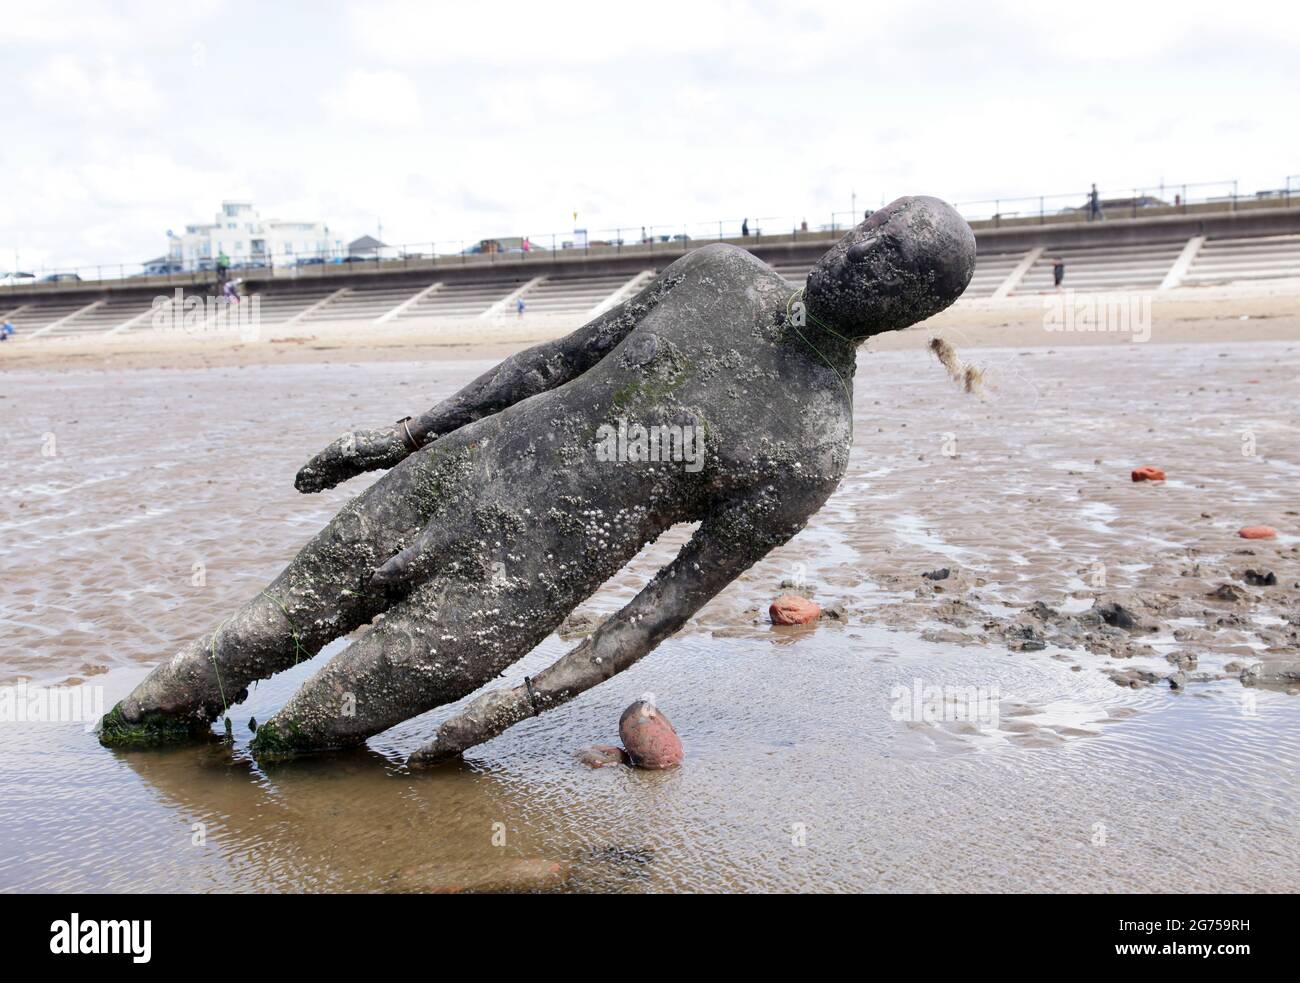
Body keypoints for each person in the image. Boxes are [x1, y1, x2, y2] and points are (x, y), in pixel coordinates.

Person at [100, 196, 977, 762]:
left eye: (897, 261)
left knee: (303, 738)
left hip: (502, 602)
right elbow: (550, 363)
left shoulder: (813, 447)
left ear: (916, 310)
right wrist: (399, 438)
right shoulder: (715, 274)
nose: (866, 255)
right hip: (444, 482)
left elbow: (664, 604)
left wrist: (518, 704)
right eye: (875, 229)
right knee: (228, 652)